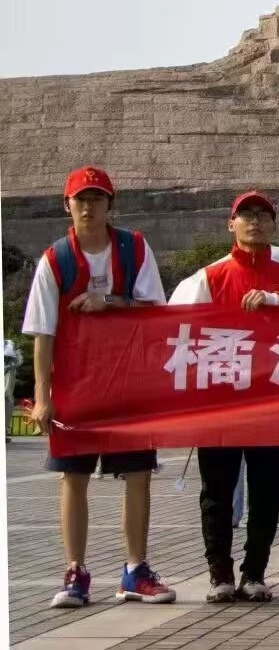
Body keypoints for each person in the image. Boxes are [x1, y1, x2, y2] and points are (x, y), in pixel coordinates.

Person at [21, 166, 177, 609]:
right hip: (77, 386)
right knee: (73, 477)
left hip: (129, 384)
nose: (88, 207)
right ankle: (75, 571)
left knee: (138, 475)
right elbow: (43, 334)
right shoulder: (55, 259)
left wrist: (107, 301)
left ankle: (135, 570)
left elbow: (155, 309)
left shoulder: (134, 249)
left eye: (97, 198)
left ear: (111, 204)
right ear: (66, 205)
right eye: (80, 199)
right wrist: (44, 396)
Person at [169, 190, 279, 603]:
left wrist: (277, 306)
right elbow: (172, 329)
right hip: (221, 405)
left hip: (276, 405)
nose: (254, 221)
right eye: (245, 214)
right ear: (230, 224)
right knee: (217, 492)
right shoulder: (207, 278)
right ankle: (219, 574)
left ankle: (255, 573)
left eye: (262, 215)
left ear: (274, 225)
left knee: (267, 494)